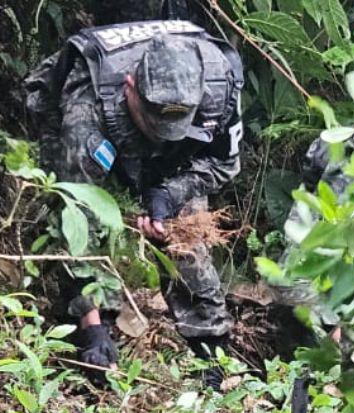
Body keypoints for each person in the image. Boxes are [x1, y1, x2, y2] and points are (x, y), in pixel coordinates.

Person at [24, 20, 244, 386]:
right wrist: (93, 327)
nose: (162, 135)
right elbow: (78, 213)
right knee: (76, 212)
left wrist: (169, 193)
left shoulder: (219, 86)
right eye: (154, 122)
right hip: (80, 121)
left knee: (184, 235)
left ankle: (211, 348)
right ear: (130, 88)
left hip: (171, 156)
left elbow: (225, 162)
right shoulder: (88, 106)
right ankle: (92, 324)